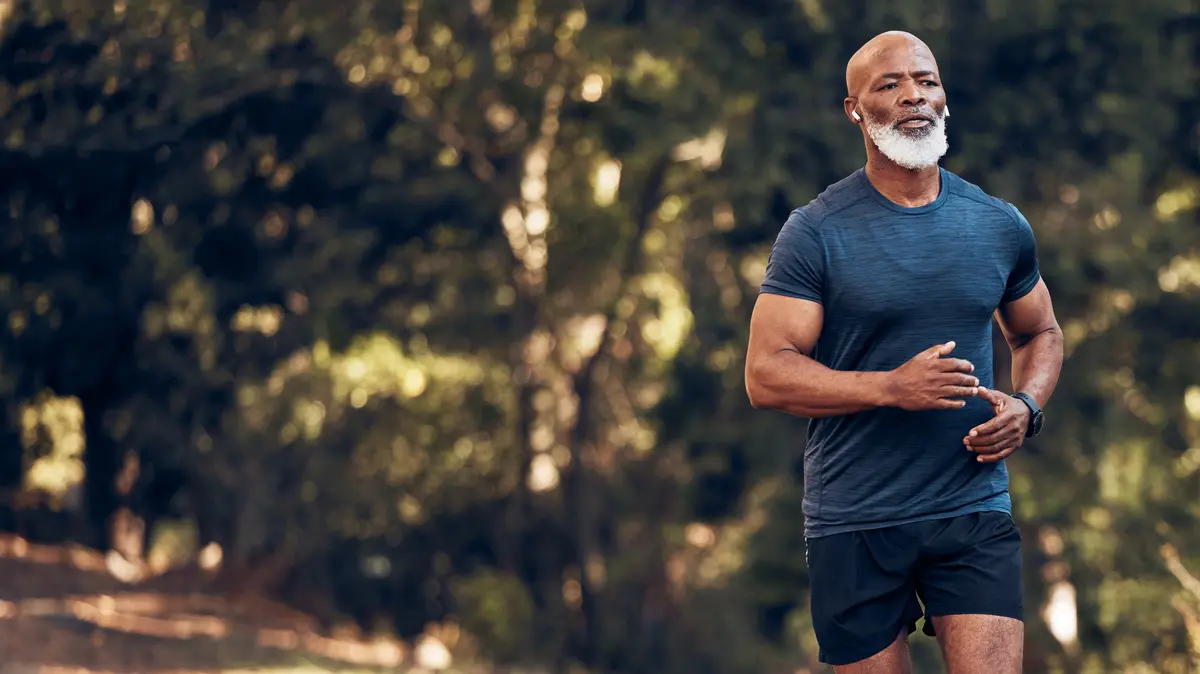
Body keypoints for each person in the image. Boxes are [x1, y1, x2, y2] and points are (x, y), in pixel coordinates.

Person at [744, 31, 1064, 674]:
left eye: (926, 80)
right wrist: (891, 387)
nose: (914, 95)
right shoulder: (816, 232)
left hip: (970, 506)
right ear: (855, 110)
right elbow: (765, 375)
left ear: (944, 96)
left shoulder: (997, 222)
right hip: (854, 518)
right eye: (889, 85)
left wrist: (1028, 406)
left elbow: (1039, 333)